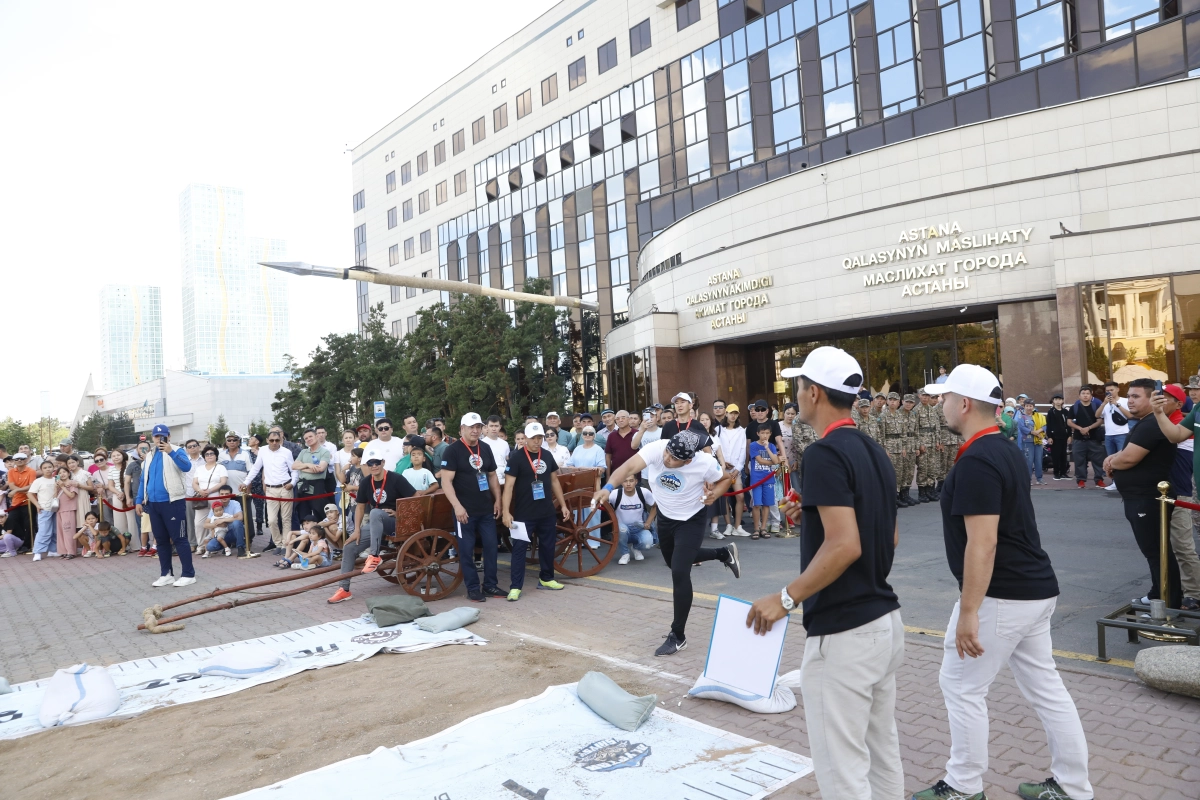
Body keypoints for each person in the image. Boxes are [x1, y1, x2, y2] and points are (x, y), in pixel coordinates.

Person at [916, 364, 1093, 800]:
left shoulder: (978, 458)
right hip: (1032, 588)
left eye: (944, 397)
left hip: (1003, 594)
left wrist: (969, 611)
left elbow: (983, 543)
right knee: (1047, 689)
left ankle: (962, 786)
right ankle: (1072, 785)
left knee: (960, 686)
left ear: (965, 403)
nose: (939, 404)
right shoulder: (1001, 447)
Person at [745, 346, 904, 800]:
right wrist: (809, 519)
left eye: (798, 388)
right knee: (881, 752)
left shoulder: (824, 453)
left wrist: (785, 598)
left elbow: (846, 544)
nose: (795, 398)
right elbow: (883, 537)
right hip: (883, 622)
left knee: (842, 768)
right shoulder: (874, 450)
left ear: (814, 393)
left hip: (845, 630)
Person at [595, 430, 740, 656]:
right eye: (668, 454)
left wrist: (715, 495)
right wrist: (608, 487)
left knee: (680, 572)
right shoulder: (656, 449)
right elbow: (627, 468)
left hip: (691, 519)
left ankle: (678, 635)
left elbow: (725, 478)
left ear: (689, 460)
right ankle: (723, 553)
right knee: (674, 562)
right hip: (665, 517)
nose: (667, 460)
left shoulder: (704, 463)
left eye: (674, 459)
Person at [1105, 378, 1181, 608]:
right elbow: (1126, 456)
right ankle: (1158, 593)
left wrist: (1111, 462)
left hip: (1148, 499)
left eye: (1136, 396)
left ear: (1152, 399)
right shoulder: (1146, 422)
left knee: (1157, 552)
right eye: (1128, 396)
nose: (1130, 400)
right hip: (1140, 498)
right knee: (1154, 552)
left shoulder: (1153, 424)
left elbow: (1129, 458)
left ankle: (1169, 603)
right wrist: (1113, 460)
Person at [326, 445, 418, 602]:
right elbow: (360, 506)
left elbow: (415, 498)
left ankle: (374, 555)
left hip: (397, 522)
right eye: (370, 463)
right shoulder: (366, 482)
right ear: (365, 465)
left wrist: (399, 513)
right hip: (377, 523)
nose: (374, 466)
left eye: (376, 462)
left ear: (383, 462)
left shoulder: (396, 478)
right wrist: (356, 530)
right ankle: (344, 589)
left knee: (375, 513)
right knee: (349, 546)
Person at [438, 412, 504, 603]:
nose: (475, 430)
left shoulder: (485, 447)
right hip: (464, 511)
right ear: (462, 429)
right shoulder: (453, 450)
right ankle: (473, 588)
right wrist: (457, 507)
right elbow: (446, 482)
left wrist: (497, 500)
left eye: (478, 427)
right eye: (471, 427)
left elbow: (492, 475)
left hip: (485, 509)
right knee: (466, 550)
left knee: (491, 546)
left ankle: (490, 585)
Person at [501, 422, 571, 600]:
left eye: (540, 437)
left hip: (546, 511)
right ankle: (515, 587)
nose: (537, 441)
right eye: (533, 438)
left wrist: (563, 505)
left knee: (548, 546)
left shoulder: (546, 455)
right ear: (525, 438)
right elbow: (508, 487)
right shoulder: (516, 457)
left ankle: (547, 578)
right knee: (519, 550)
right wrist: (506, 512)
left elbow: (555, 481)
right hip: (524, 514)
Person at [1149, 385, 1200, 610]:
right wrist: (1158, 413)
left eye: (1166, 399)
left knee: (1183, 546)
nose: (1160, 401)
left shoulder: (1179, 418)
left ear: (1178, 404)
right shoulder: (1194, 412)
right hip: (1169, 494)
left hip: (1181, 493)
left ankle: (1194, 593)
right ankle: (1179, 590)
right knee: (1168, 546)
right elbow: (1175, 435)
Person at [135, 424, 196, 587]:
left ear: (168, 436)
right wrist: (139, 499)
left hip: (173, 502)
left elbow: (187, 467)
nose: (159, 439)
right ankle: (166, 573)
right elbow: (143, 480)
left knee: (179, 538)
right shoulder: (149, 455)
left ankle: (189, 574)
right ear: (153, 438)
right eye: (156, 436)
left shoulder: (176, 450)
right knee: (161, 540)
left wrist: (170, 451)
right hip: (153, 503)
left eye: (163, 436)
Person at [243, 430, 299, 554]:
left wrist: (292, 483)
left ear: (281, 440)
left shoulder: (286, 452)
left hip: (285, 487)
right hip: (270, 489)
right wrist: (246, 482)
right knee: (272, 520)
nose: (274, 443)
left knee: (286, 519)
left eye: (277, 440)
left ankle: (285, 545)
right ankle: (278, 543)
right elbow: (256, 468)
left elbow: (294, 469)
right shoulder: (262, 451)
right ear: (267, 440)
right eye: (272, 440)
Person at [715, 403, 751, 538]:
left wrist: (738, 468)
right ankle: (728, 525)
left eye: (735, 413)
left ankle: (738, 526)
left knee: (740, 496)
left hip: (736, 469)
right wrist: (723, 463)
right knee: (723, 496)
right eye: (731, 413)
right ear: (726, 414)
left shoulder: (742, 430)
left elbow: (743, 450)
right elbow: (716, 447)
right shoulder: (718, 429)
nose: (733, 416)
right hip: (723, 468)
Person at [609, 474, 657, 565]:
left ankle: (636, 548)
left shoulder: (644, 492)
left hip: (639, 527)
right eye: (625, 481)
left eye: (631, 481)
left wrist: (648, 522)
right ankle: (625, 554)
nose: (628, 484)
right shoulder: (615, 494)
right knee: (622, 529)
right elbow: (602, 500)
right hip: (622, 528)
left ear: (636, 481)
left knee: (647, 544)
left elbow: (655, 506)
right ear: (621, 483)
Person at [190, 445, 228, 553]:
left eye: (212, 454)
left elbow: (223, 482)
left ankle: (214, 545)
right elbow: (194, 482)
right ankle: (201, 546)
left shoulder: (221, 468)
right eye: (207, 454)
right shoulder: (199, 469)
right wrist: (199, 491)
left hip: (215, 497)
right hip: (201, 498)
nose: (209, 456)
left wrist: (209, 491)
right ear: (204, 456)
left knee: (215, 522)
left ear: (216, 455)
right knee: (198, 523)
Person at [1068, 387, 1105, 487]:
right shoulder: (1074, 407)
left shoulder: (1096, 406)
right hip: (1078, 438)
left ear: (1091, 395)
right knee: (1079, 460)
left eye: (1087, 393)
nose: (1085, 395)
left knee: (1098, 460)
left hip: (1094, 438)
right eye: (1083, 393)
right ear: (1079, 396)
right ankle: (1081, 480)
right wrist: (1080, 428)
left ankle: (1099, 480)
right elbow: (1069, 421)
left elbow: (1100, 420)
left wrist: (1088, 428)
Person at [748, 424, 780, 539]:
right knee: (757, 504)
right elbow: (760, 461)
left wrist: (767, 448)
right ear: (758, 434)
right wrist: (774, 462)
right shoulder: (753, 445)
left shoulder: (771, 446)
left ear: (770, 434)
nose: (765, 435)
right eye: (762, 433)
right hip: (757, 479)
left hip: (769, 479)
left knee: (767, 504)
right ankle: (756, 528)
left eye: (767, 433)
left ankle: (763, 528)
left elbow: (776, 460)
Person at [294, 429, 333, 522]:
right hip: (303, 485)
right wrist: (309, 465)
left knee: (319, 512)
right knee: (303, 513)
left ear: (316, 436)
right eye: (306, 438)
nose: (308, 439)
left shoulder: (324, 452)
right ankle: (307, 534)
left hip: (318, 485)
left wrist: (302, 467)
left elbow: (320, 469)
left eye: (310, 436)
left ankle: (322, 534)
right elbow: (294, 466)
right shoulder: (303, 452)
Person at [1100, 381, 1131, 492]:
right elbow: (1097, 415)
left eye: (1112, 390)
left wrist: (1116, 404)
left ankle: (1125, 482)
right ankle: (1115, 482)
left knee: (1122, 459)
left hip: (1122, 434)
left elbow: (1130, 415)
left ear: (1117, 389)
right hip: (1109, 435)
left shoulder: (1125, 401)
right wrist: (1104, 403)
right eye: (1107, 391)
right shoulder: (1105, 403)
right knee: (1111, 460)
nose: (1109, 393)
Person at [880, 392, 910, 509]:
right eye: (890, 400)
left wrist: (903, 447)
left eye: (895, 400)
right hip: (889, 446)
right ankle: (890, 498)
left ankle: (897, 496)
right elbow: (881, 435)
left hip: (899, 446)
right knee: (890, 473)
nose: (892, 402)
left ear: (899, 403)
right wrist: (885, 449)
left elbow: (903, 434)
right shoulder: (882, 416)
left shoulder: (900, 415)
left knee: (899, 472)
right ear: (887, 402)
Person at [28, 460, 59, 560]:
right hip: (44, 509)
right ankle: (38, 552)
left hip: (56, 508)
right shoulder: (38, 481)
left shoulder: (56, 479)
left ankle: (53, 550)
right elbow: (30, 494)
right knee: (43, 531)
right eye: (45, 468)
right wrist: (37, 504)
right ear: (41, 470)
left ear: (53, 468)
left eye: (49, 467)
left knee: (55, 530)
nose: (48, 469)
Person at [1017, 398, 1046, 485]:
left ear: (1033, 407)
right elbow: (1022, 428)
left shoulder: (1039, 416)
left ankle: (1039, 478)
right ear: (1024, 406)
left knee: (1038, 460)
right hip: (1027, 441)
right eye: (1027, 406)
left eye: (1031, 406)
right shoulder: (1021, 416)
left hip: (1038, 441)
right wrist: (1034, 432)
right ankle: (1027, 479)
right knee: (1028, 461)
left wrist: (1038, 431)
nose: (1029, 408)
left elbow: (1045, 425)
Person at [53, 465, 80, 558]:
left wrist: (63, 487)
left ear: (68, 473)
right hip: (59, 509)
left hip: (68, 509)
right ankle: (63, 551)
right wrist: (56, 487)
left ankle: (71, 551)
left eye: (64, 472)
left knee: (68, 530)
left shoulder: (72, 483)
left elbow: (71, 496)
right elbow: (54, 497)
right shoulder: (58, 484)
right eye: (60, 473)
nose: (62, 474)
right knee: (60, 532)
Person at [604, 410, 637, 479]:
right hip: (616, 475)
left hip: (635, 474)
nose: (620, 420)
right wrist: (608, 475)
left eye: (623, 418)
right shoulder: (611, 436)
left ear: (629, 419)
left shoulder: (637, 434)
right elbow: (608, 456)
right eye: (617, 419)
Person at [1046, 394, 1071, 480]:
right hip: (1054, 437)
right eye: (1056, 399)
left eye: (1060, 399)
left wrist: (1069, 435)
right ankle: (1056, 473)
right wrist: (1049, 437)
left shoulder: (1065, 412)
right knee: (1055, 456)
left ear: (1062, 401)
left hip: (1064, 436)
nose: (1058, 401)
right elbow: (1048, 425)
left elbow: (1068, 425)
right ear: (1053, 401)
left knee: (1063, 455)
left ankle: (1063, 473)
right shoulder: (1051, 412)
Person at [482, 416, 511, 487]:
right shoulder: (482, 443)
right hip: (490, 479)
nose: (494, 429)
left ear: (500, 427)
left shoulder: (505, 443)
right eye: (491, 426)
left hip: (505, 478)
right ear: (486, 427)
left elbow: (507, 460)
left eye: (496, 426)